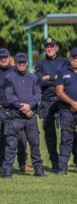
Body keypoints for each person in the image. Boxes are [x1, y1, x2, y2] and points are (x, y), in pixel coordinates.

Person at [0, 48, 30, 173]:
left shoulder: (16, 71)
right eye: (1, 58)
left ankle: (23, 164)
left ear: (10, 58)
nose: (4, 59)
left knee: (21, 136)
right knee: (1, 136)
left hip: (16, 109)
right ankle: (1, 164)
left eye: (5, 57)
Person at [2, 52, 44, 178]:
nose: (21, 64)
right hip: (16, 117)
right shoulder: (9, 78)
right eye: (19, 62)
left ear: (27, 63)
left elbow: (38, 95)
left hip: (31, 117)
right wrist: (23, 107)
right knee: (11, 144)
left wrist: (30, 106)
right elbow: (9, 97)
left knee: (35, 143)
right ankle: (7, 170)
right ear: (15, 63)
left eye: (23, 62)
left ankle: (38, 169)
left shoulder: (34, 78)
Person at [35, 37, 69, 172]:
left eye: (52, 46)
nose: (49, 49)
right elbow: (38, 82)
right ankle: (55, 162)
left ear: (57, 48)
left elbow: (65, 79)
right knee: (49, 134)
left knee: (67, 132)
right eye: (47, 47)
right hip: (47, 101)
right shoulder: (40, 64)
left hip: (62, 100)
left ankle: (64, 161)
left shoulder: (64, 62)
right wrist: (55, 78)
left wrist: (48, 77)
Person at [55, 47, 77, 175]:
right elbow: (59, 92)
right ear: (70, 58)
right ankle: (62, 167)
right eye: (74, 57)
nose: (76, 60)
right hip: (67, 110)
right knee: (66, 138)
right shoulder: (62, 72)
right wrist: (73, 103)